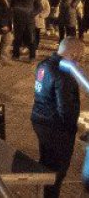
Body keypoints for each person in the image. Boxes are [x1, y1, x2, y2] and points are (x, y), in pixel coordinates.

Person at [31, 38, 83, 198]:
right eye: (81, 56)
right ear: (74, 54)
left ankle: (43, 193)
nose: (81, 60)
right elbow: (65, 109)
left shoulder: (45, 64)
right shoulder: (64, 74)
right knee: (58, 170)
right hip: (56, 127)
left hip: (40, 119)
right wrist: (75, 128)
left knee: (46, 162)